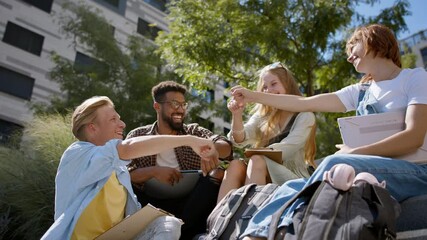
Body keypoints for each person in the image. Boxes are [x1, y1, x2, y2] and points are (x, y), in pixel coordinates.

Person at [230, 24, 427, 240]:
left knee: (334, 163)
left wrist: (354, 152)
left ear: (374, 40)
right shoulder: (360, 92)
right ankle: (254, 236)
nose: (349, 57)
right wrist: (253, 96)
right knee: (290, 187)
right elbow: (304, 103)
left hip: (415, 172)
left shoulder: (415, 78)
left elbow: (414, 137)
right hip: (371, 168)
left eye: (354, 47)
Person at [42, 96, 218, 240]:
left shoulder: (119, 171)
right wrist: (190, 140)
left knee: (167, 223)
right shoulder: (77, 153)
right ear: (92, 128)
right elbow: (128, 148)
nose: (122, 124)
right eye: (113, 119)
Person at [126, 81, 233, 240]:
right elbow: (125, 173)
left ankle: (192, 233)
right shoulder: (138, 135)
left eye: (184, 105)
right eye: (175, 104)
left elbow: (227, 147)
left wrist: (212, 147)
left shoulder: (193, 131)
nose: (181, 110)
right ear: (157, 106)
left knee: (218, 174)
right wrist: (154, 172)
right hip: (150, 204)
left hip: (192, 203)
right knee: (126, 187)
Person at [217, 63, 316, 202]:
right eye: (264, 87)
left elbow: (287, 148)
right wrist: (237, 115)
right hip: (262, 171)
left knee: (257, 160)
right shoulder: (263, 115)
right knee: (235, 166)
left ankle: (250, 216)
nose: (268, 90)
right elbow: (239, 140)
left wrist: (257, 153)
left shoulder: (305, 116)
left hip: (294, 180)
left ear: (287, 85)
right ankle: (218, 220)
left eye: (274, 84)